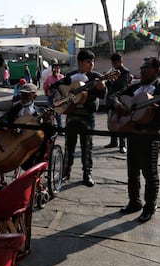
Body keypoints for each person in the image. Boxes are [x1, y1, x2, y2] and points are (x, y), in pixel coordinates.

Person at [110, 57, 160, 222]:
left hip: (150, 136)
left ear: (158, 70)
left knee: (150, 173)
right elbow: (113, 96)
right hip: (133, 134)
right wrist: (117, 105)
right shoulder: (134, 87)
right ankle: (134, 202)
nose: (142, 71)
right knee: (132, 172)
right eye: (141, 68)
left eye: (146, 68)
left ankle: (150, 207)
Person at [55, 49, 107, 187]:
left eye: (93, 62)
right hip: (72, 115)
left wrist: (102, 88)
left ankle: (87, 173)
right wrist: (59, 96)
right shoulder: (71, 75)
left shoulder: (96, 77)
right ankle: (66, 172)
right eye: (88, 61)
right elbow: (57, 87)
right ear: (80, 62)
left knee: (87, 146)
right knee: (69, 146)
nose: (91, 64)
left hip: (87, 117)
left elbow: (102, 95)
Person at [0, 83, 53, 171]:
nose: (24, 97)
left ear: (34, 96)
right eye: (22, 94)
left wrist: (48, 121)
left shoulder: (41, 111)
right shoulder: (15, 109)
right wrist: (9, 128)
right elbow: (2, 119)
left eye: (27, 95)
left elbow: (49, 133)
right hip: (16, 142)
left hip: (33, 145)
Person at [105, 52, 130, 154]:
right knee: (111, 121)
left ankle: (122, 145)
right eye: (112, 63)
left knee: (121, 121)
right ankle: (113, 141)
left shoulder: (125, 71)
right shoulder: (112, 71)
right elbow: (107, 83)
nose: (114, 65)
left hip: (121, 98)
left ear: (120, 62)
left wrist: (113, 80)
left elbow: (123, 85)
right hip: (111, 98)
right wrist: (108, 79)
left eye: (115, 63)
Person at [43, 60, 65, 136]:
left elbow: (63, 86)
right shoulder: (49, 77)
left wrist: (57, 76)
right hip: (50, 97)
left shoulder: (61, 77)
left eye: (57, 68)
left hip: (58, 98)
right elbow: (45, 86)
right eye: (54, 68)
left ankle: (60, 129)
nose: (56, 70)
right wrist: (47, 88)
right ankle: (51, 129)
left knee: (58, 113)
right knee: (50, 113)